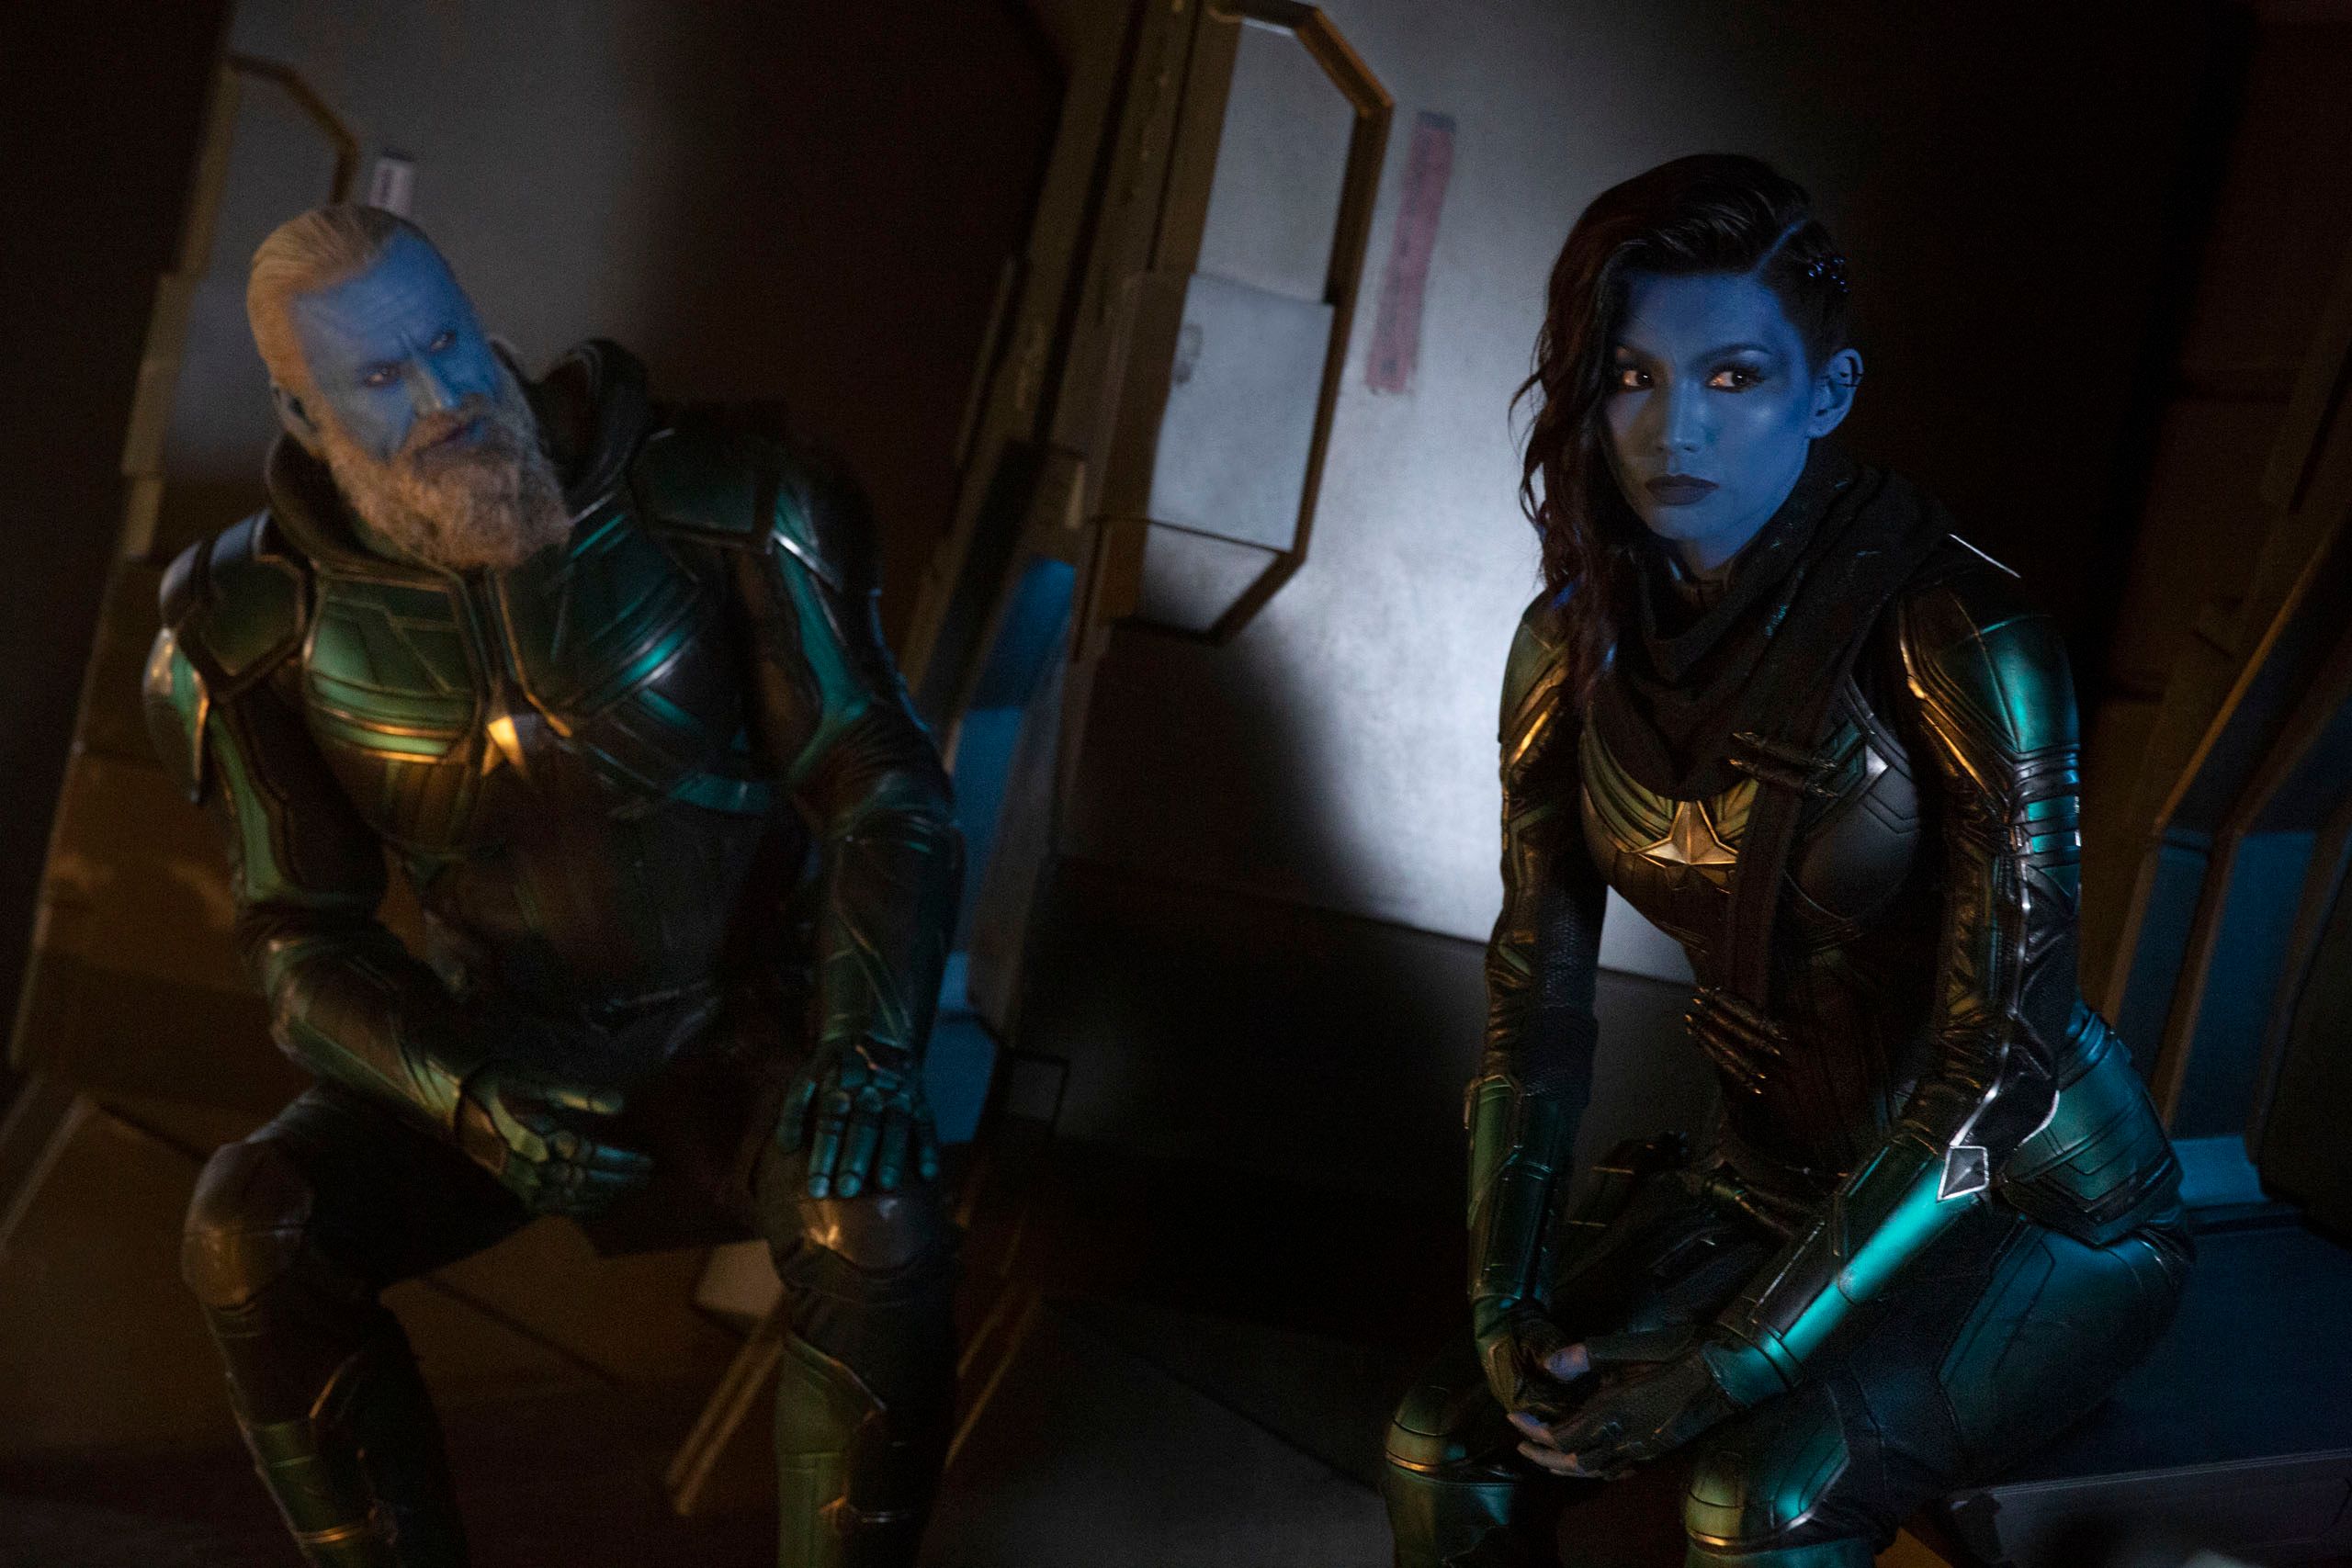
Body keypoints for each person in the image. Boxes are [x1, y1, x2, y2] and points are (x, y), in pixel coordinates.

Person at [1381, 155, 2189, 1568]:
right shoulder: (1575, 641)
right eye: (1632, 377)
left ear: (1826, 394)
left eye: (1734, 377)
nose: (1674, 426)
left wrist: (1738, 1361)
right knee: (1446, 1441)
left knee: (1761, 1503)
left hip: (2039, 1209)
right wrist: (1504, 1304)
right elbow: (1536, 1002)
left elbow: (1997, 1066)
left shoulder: (1962, 636)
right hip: (1768, 1182)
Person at [146, 204, 961, 1568]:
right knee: (248, 1228)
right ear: (301, 413)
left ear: (482, 323)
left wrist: (867, 1054)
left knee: (867, 1212)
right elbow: (297, 939)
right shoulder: (250, 619)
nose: (444, 399)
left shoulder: (721, 495)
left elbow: (877, 781)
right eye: (380, 377)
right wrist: (457, 1092)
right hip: (508, 1053)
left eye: (448, 344)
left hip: (752, 1033)